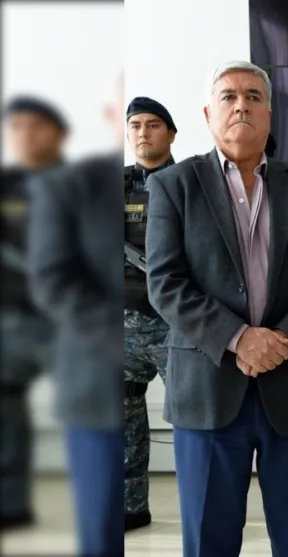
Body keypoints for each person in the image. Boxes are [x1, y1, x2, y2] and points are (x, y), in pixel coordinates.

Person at [144, 60, 288, 557]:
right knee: (209, 542)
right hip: (209, 389)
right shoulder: (174, 186)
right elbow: (165, 282)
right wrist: (239, 338)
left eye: (253, 96)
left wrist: (283, 338)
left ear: (269, 113)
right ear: (208, 113)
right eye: (229, 96)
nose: (241, 105)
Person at [26, 77, 127, 557]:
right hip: (94, 379)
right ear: (110, 115)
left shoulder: (177, 184)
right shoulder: (68, 186)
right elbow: (51, 279)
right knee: (101, 523)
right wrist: (120, 337)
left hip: (183, 368)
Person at [0, 95, 65, 531]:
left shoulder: (79, 184)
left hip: (71, 321)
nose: (24, 134)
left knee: (94, 413)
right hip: (15, 320)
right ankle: (11, 505)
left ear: (57, 133)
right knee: (6, 409)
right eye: (16, 125)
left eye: (35, 125)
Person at [122, 96, 176, 532]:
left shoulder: (192, 181)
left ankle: (204, 506)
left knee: (196, 422)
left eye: (153, 124)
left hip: (178, 324)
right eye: (136, 125)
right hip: (121, 328)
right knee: (122, 425)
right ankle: (130, 509)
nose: (143, 132)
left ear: (171, 133)